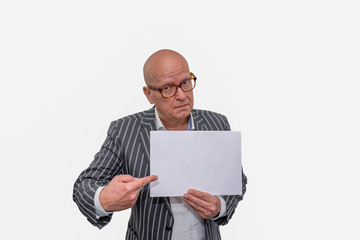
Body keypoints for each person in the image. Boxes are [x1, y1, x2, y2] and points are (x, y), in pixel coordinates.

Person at [73, 49, 247, 240]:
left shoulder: (217, 123)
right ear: (149, 94)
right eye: (167, 88)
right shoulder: (124, 130)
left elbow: (237, 179)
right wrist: (103, 198)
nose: (181, 95)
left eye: (185, 83)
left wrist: (220, 206)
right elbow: (84, 185)